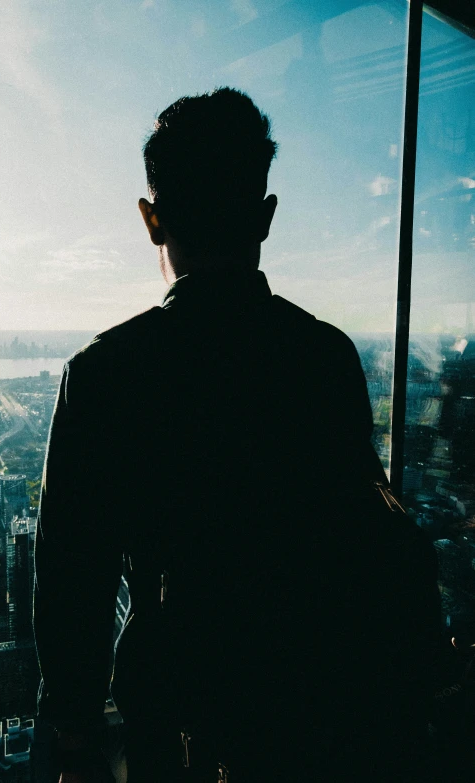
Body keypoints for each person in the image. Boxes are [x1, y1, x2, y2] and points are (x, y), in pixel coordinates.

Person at [33, 88, 441, 783]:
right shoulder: (325, 357)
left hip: (179, 724)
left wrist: (74, 737)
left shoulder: (104, 374)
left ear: (152, 220)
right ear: (266, 217)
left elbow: (74, 579)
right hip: (318, 716)